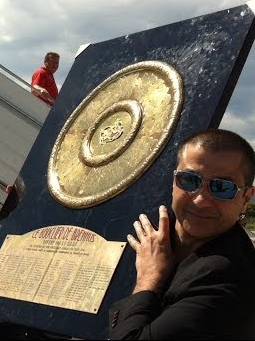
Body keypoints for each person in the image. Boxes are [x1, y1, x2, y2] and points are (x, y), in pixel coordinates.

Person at [109, 129, 255, 339]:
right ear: (174, 180)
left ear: (246, 197)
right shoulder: (150, 232)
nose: (200, 200)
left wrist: (149, 278)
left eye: (222, 187)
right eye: (189, 180)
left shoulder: (229, 280)